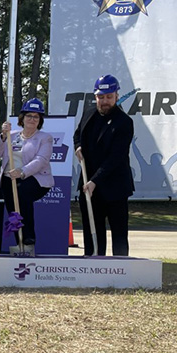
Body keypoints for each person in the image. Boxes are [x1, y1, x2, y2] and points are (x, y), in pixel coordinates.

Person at [74, 74, 134, 256]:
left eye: (109, 96)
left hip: (114, 186)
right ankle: (93, 265)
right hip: (88, 185)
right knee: (92, 230)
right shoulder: (88, 114)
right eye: (101, 96)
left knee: (119, 233)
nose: (105, 101)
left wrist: (95, 181)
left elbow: (115, 158)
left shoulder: (124, 122)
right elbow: (77, 134)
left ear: (116, 96)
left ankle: (120, 271)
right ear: (95, 96)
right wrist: (78, 146)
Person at [0, 98, 54, 247]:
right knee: (13, 211)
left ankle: (29, 238)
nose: (32, 119)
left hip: (34, 179)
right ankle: (19, 243)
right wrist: (3, 137)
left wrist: (22, 172)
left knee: (23, 193)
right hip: (8, 179)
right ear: (22, 118)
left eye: (36, 116)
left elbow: (41, 160)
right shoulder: (11, 135)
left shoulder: (45, 138)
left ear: (40, 120)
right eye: (29, 115)